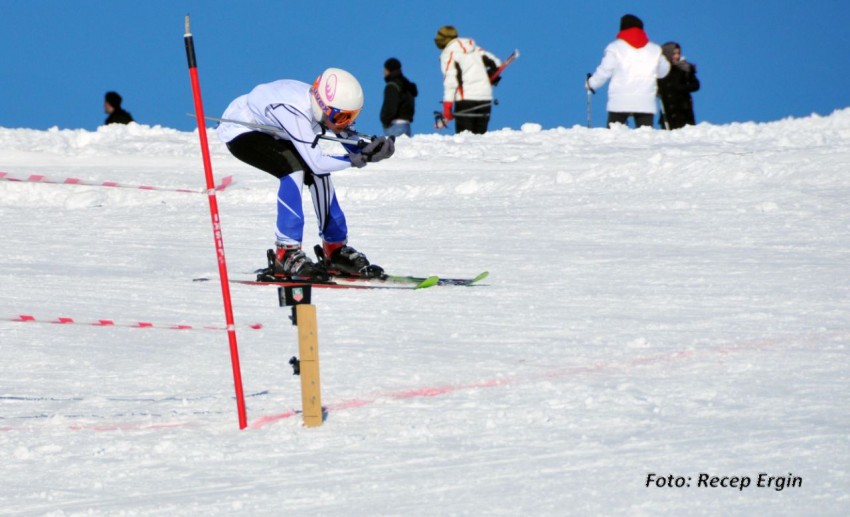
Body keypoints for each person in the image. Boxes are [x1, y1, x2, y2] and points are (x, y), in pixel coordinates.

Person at [216, 68, 395, 281]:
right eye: (342, 116)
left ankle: (335, 249)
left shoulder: (322, 107)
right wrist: (358, 159)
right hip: (242, 131)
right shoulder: (293, 111)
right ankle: (286, 254)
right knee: (294, 169)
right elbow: (317, 162)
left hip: (274, 129)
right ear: (324, 107)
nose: (346, 122)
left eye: (352, 116)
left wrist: (370, 150)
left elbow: (344, 135)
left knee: (320, 175)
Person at [586, 14, 670, 128]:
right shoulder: (654, 50)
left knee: (612, 137)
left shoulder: (615, 48)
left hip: (620, 101)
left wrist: (591, 83)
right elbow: (663, 71)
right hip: (645, 101)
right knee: (645, 139)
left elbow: (605, 71)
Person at [434, 25, 501, 134]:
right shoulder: (475, 48)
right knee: (480, 138)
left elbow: (451, 82)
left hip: (465, 99)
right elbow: (496, 63)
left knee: (465, 140)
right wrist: (491, 76)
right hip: (485, 97)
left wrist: (447, 107)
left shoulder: (448, 53)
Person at [657, 42, 700, 129]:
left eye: (678, 53)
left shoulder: (685, 68)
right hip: (668, 113)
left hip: (683, 112)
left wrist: (681, 88)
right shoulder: (660, 71)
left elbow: (695, 85)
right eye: (674, 53)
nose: (677, 56)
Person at [380, 58, 418, 137]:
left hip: (395, 127)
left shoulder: (392, 86)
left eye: (385, 69)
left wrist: (385, 121)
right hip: (406, 126)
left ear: (389, 70)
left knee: (394, 149)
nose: (383, 72)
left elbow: (390, 108)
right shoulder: (406, 84)